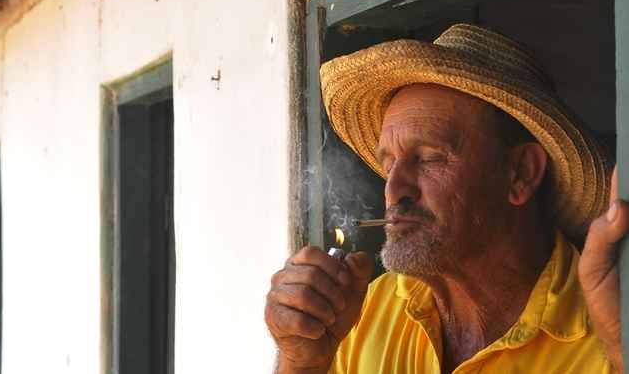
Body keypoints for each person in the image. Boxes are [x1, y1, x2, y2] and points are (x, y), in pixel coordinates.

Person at [265, 24, 627, 373]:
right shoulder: (371, 309)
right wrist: (303, 364)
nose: (394, 191)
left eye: (429, 158)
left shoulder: (606, 327)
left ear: (520, 174)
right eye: (389, 165)